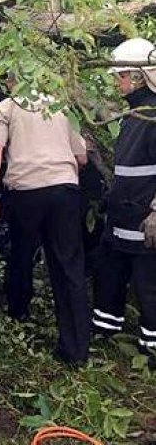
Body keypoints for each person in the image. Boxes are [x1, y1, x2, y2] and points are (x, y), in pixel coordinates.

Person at [0, 74, 90, 365]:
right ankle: (76, 349)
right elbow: (82, 158)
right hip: (64, 191)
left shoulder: (5, 108)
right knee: (69, 265)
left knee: (21, 254)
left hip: (26, 192)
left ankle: (18, 312)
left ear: (9, 81)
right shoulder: (60, 106)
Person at [91, 37, 156, 362]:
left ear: (138, 77)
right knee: (110, 271)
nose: (116, 82)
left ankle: (151, 347)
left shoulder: (152, 117)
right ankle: (106, 328)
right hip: (122, 216)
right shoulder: (136, 114)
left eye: (120, 76)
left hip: (143, 219)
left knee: (148, 283)